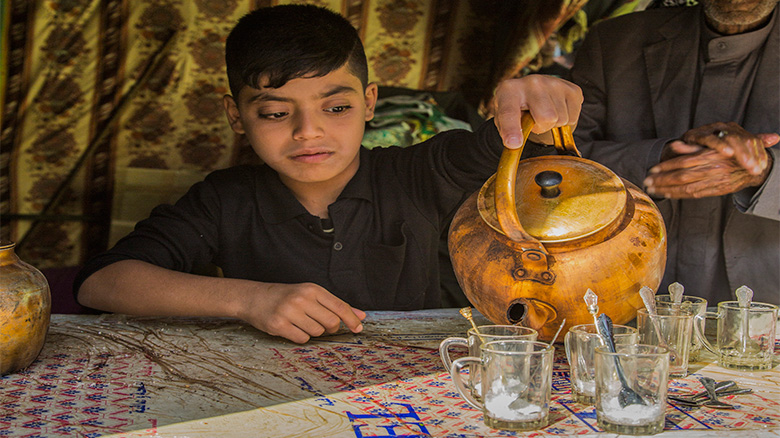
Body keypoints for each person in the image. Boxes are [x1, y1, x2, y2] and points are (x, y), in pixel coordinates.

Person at [74, 4, 583, 343]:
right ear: (236, 117)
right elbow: (102, 283)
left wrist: (537, 96)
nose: (306, 132)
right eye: (275, 114)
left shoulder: (422, 171)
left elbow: (510, 135)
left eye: (335, 108)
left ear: (368, 103)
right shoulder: (224, 200)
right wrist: (251, 298)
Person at [569, 0, 779, 305]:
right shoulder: (614, 43)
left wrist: (764, 173)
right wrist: (659, 159)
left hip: (764, 306)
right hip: (617, 295)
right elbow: (555, 165)